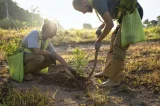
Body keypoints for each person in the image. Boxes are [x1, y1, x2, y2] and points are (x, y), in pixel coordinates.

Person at [72, 0, 143, 87]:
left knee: (118, 47)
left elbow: (110, 24)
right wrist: (100, 27)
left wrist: (99, 40)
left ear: (83, 2)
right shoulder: (95, 3)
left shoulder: (96, 2)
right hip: (123, 17)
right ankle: (107, 72)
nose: (83, 13)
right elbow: (109, 16)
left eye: (81, 10)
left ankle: (115, 80)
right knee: (113, 44)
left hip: (132, 13)